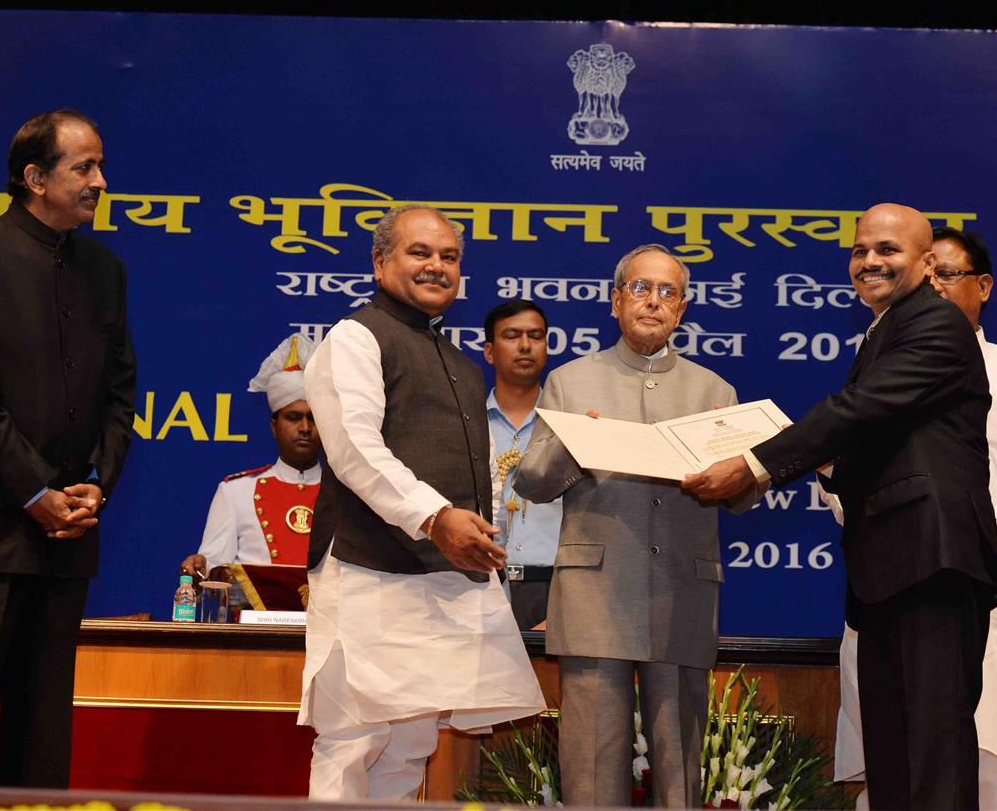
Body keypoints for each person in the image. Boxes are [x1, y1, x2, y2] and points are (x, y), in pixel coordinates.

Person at [685, 203, 997, 810]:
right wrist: (824, 464)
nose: (869, 262)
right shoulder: (886, 330)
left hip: (931, 562)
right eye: (861, 251)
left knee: (931, 752)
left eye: (887, 250)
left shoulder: (936, 324)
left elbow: (855, 411)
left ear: (926, 263)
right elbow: (876, 433)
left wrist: (756, 462)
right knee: (893, 749)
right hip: (892, 567)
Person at [299, 205, 544, 802]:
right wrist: (434, 518)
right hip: (367, 570)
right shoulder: (355, 338)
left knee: (412, 742)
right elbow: (355, 451)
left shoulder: (460, 364)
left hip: (442, 577)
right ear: (381, 262)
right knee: (353, 738)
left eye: (450, 257)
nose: (437, 266)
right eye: (420, 253)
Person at [830, 227, 997, 810]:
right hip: (886, 585)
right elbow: (849, 474)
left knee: (974, 775)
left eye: (947, 274)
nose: (932, 285)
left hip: (981, 588)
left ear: (983, 286)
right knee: (882, 776)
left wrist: (970, 537)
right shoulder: (874, 361)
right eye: (925, 273)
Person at [513, 244, 738, 808]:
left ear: (682, 309)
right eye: (641, 288)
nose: (653, 302)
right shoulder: (570, 381)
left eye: (667, 292)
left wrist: (737, 475)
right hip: (597, 593)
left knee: (680, 771)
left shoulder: (716, 393)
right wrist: (573, 442)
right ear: (616, 301)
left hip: (683, 591)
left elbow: (745, 500)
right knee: (591, 769)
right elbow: (533, 483)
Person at [0, 108, 135, 787]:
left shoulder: (105, 269)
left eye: (99, 165)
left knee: (45, 728)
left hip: (68, 533)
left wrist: (96, 485)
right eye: (83, 167)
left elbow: (120, 392)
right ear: (34, 177)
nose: (100, 181)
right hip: (0, 524)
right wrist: (31, 491)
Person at [180, 335, 322, 576]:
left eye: (314, 418)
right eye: (293, 417)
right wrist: (201, 567)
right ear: (273, 426)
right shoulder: (236, 491)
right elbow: (214, 572)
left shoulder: (346, 495)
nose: (306, 428)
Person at [482, 299, 562, 630]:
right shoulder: (466, 425)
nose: (526, 345)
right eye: (512, 335)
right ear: (489, 352)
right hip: (479, 589)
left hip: (554, 591)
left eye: (536, 336)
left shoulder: (567, 426)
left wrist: (564, 609)